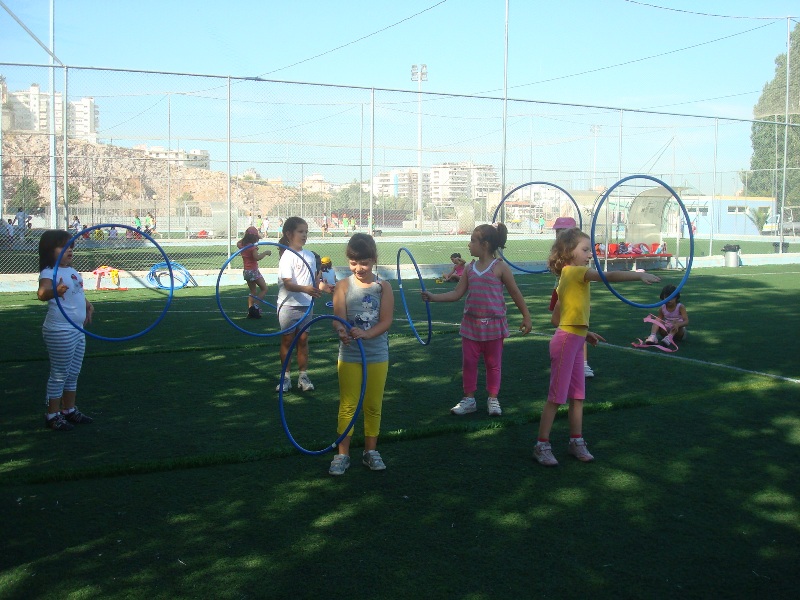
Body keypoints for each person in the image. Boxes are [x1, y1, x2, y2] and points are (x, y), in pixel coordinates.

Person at [533, 227, 660, 466]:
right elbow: (607, 276)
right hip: (565, 342)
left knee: (577, 396)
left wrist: (584, 332)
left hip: (573, 339)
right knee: (556, 397)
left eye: (589, 250)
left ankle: (576, 441)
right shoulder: (574, 272)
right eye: (584, 250)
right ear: (568, 252)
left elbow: (557, 319)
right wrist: (637, 275)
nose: (590, 254)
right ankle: (541, 445)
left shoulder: (567, 279)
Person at [422, 223, 533, 417]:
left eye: (473, 240)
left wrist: (526, 316)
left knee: (493, 364)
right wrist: (433, 297)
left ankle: (493, 398)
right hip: (471, 326)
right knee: (469, 363)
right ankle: (469, 399)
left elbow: (515, 292)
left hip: (494, 326)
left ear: (485, 244)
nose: (469, 244)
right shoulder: (469, 268)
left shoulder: (500, 267)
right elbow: (457, 293)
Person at [328, 233, 394, 475]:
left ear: (374, 260)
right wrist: (341, 331)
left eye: (364, 263)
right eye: (353, 263)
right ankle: (342, 454)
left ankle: (370, 451)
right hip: (350, 356)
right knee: (348, 405)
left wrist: (367, 334)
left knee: (373, 405)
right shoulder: (343, 286)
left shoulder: (383, 287)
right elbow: (338, 318)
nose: (358, 268)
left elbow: (386, 321)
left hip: (377, 355)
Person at [36, 229, 95, 431]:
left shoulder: (71, 271)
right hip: (60, 330)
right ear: (49, 250)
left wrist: (87, 304)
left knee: (73, 372)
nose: (69, 250)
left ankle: (69, 410)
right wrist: (56, 290)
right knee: (60, 373)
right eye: (63, 246)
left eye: (71, 246)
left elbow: (76, 293)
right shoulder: (49, 272)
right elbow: (42, 293)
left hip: (77, 330)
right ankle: (52, 415)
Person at [275, 217, 323, 392]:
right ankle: (285, 377)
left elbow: (314, 281)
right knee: (287, 340)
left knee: (303, 340)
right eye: (300, 232)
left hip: (306, 305)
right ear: (289, 234)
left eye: (306, 232)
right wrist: (307, 289)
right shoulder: (287, 257)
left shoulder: (310, 255)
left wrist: (322, 287)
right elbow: (288, 284)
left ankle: (303, 376)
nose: (304, 235)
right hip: (288, 306)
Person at [550, 217, 595, 378]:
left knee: (577, 325)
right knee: (564, 322)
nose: (560, 235)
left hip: (572, 295)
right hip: (563, 292)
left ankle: (583, 362)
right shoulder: (565, 260)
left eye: (563, 231)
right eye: (558, 232)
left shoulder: (574, 262)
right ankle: (574, 356)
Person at [237, 226, 272, 319]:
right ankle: (255, 306)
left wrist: (246, 238)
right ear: (254, 237)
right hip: (253, 271)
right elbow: (257, 258)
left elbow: (238, 242)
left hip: (246, 271)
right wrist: (266, 252)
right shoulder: (252, 248)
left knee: (253, 291)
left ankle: (250, 310)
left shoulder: (241, 245)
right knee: (264, 289)